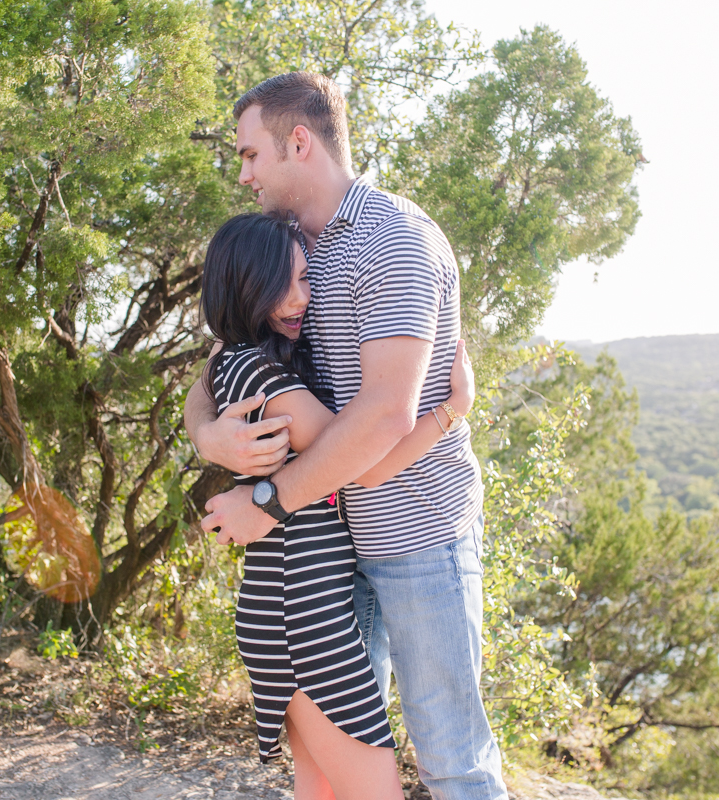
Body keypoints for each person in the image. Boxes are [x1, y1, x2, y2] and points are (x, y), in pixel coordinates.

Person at [184, 72, 508, 799]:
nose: (243, 175)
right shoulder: (288, 248)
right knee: (333, 768)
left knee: (451, 754)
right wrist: (210, 438)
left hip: (417, 535)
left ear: (299, 142)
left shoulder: (393, 241)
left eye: (250, 155)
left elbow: (382, 417)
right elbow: (215, 367)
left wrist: (266, 501)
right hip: (334, 553)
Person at [199, 211, 475, 800]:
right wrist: (450, 410)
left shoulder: (238, 361)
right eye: (285, 284)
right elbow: (368, 466)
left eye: (307, 280)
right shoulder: (263, 376)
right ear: (246, 286)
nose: (302, 299)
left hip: (287, 608)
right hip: (305, 621)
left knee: (321, 792)